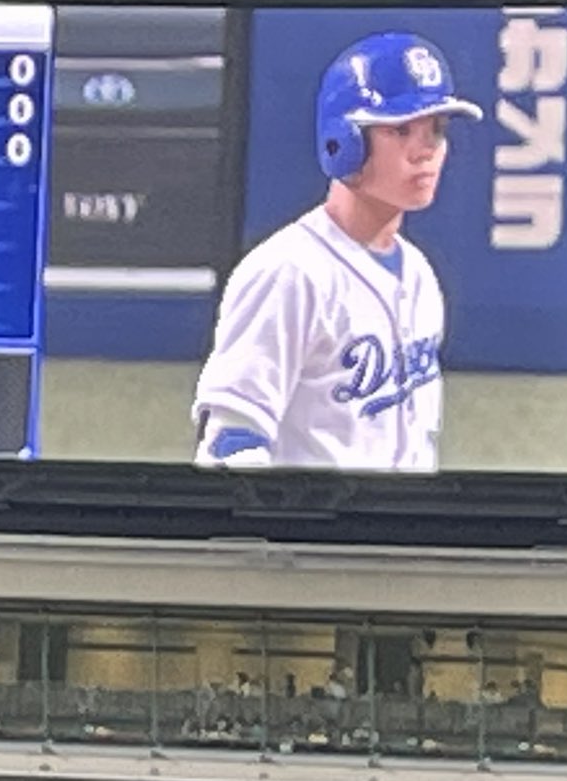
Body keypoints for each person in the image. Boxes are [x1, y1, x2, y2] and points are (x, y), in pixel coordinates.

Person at [193, 32, 479, 474]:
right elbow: (231, 441)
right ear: (344, 142)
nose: (425, 151)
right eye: (401, 129)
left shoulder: (419, 273)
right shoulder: (288, 273)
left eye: (436, 130)